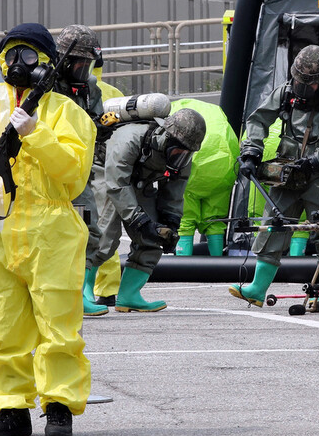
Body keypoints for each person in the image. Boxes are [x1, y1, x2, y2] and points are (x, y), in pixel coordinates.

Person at [0, 22, 95, 436]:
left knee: (58, 324)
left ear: (47, 63)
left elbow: (73, 176)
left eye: (30, 55)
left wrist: (37, 134)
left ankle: (59, 406)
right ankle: (11, 408)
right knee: (4, 323)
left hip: (53, 232)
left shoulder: (68, 114)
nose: (19, 63)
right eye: (12, 53)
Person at [229, 44, 319, 307]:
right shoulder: (286, 93)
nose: (300, 88)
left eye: (306, 84)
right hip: (287, 171)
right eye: (297, 81)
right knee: (272, 226)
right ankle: (256, 289)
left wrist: (317, 161)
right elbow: (258, 120)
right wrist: (252, 152)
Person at [96, 107, 206, 312]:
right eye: (178, 150)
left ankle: (128, 296)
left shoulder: (182, 158)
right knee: (104, 237)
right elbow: (117, 184)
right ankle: (81, 295)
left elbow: (174, 192)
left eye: (186, 153)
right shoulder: (130, 138)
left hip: (138, 182)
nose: (180, 157)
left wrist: (170, 224)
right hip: (105, 173)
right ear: (168, 137)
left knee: (152, 238)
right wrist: (139, 220)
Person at [52, 25, 109, 317]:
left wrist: (104, 127)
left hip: (79, 170)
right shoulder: (47, 85)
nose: (83, 68)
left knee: (89, 230)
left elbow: (96, 123)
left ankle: (80, 292)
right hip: (48, 170)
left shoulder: (89, 88)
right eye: (78, 62)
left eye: (87, 63)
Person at [170, 98, 240, 257]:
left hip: (193, 167)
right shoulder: (214, 111)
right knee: (215, 221)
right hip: (223, 166)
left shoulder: (177, 110)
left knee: (185, 220)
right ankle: (217, 265)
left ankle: (182, 267)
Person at [90, 53, 124, 305]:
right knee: (105, 226)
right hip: (105, 167)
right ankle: (108, 289)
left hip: (79, 165)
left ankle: (80, 288)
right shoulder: (113, 92)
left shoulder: (65, 91)